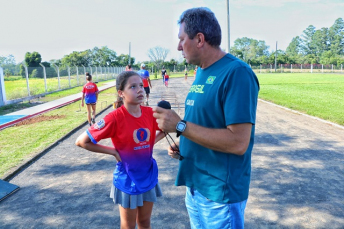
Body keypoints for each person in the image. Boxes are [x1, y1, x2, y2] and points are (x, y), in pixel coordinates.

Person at [153, 7, 260, 229]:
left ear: (200, 39)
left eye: (182, 39)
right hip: (195, 185)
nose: (178, 46)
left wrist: (180, 126)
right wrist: (186, 143)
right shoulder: (202, 71)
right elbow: (206, 122)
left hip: (219, 193)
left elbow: (239, 142)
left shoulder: (236, 73)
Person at [75, 70, 165, 229]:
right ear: (121, 93)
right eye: (133, 87)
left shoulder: (150, 113)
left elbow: (166, 128)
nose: (139, 90)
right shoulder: (114, 118)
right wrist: (114, 152)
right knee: (128, 226)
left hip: (148, 175)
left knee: (144, 223)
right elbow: (82, 141)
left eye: (140, 86)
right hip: (127, 179)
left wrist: (151, 143)